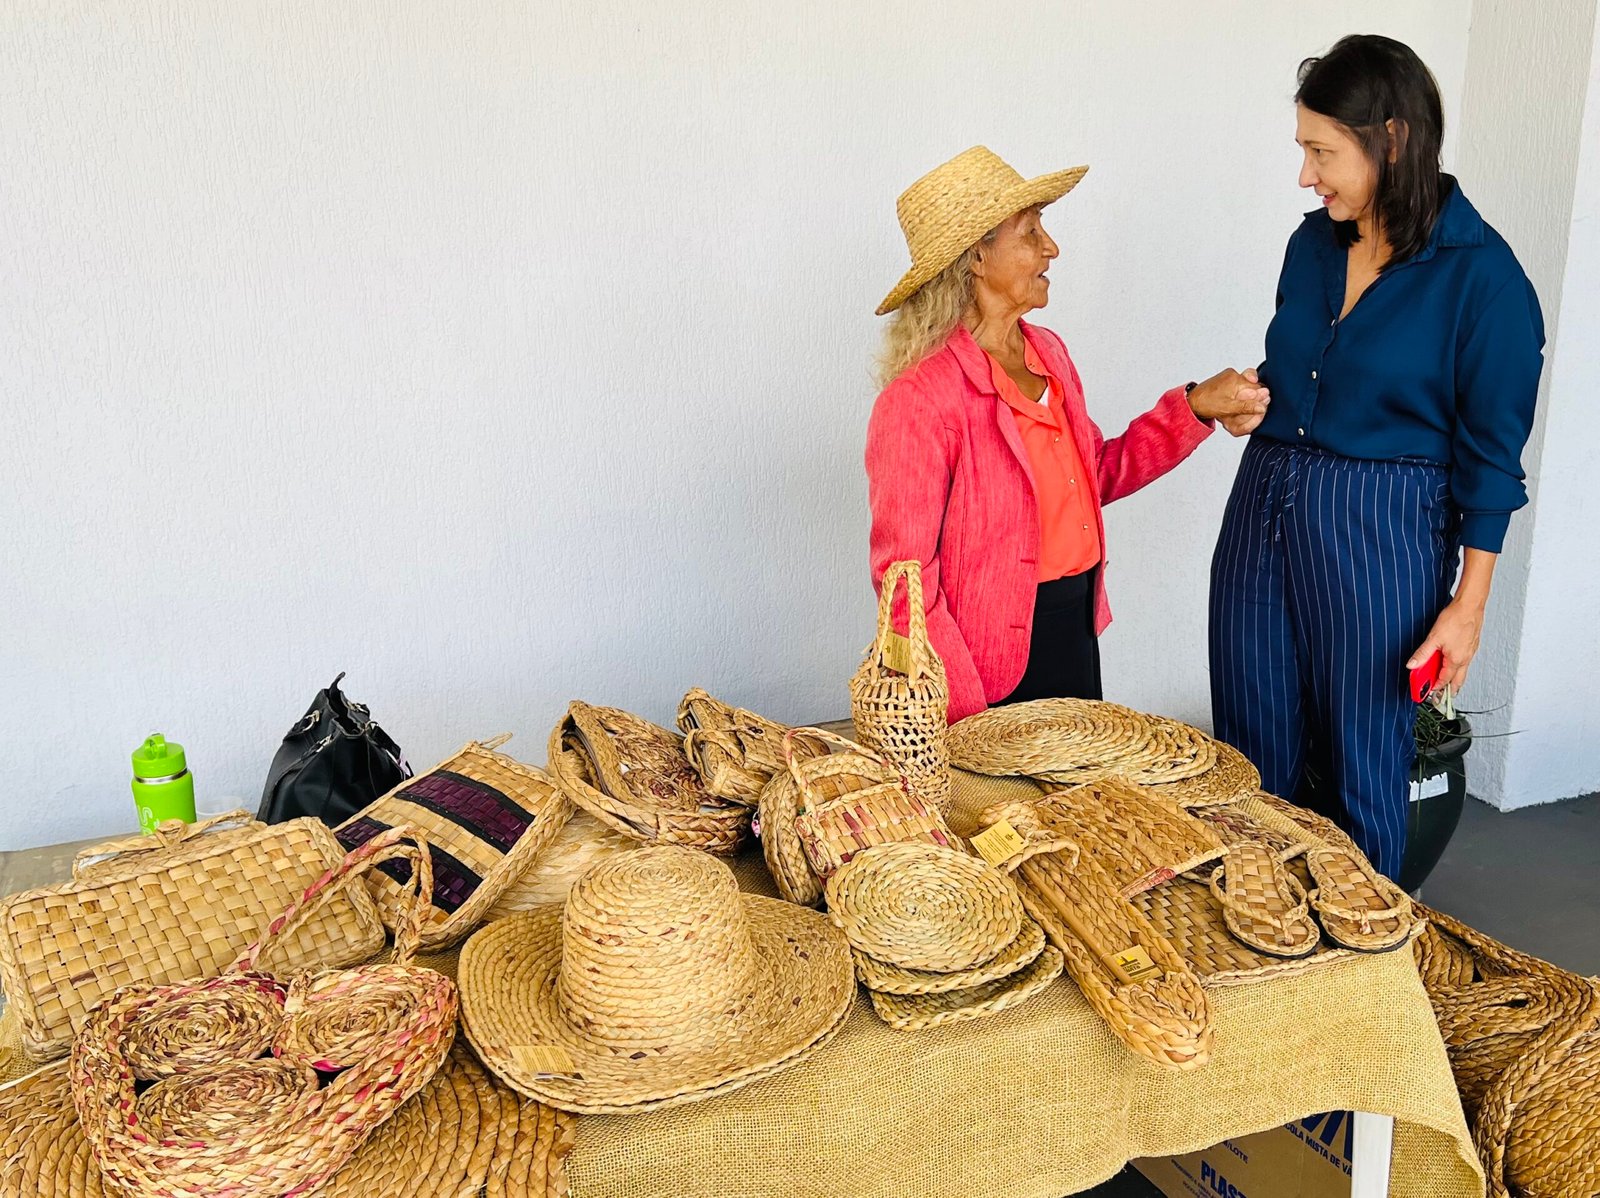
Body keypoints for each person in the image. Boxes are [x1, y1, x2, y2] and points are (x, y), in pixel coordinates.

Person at [1209, 35, 1545, 878]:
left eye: (1322, 153)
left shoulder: (1487, 283)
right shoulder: (1311, 247)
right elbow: (1305, 371)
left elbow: (1492, 465)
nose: (1305, 176)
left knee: (1365, 762)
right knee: (1249, 754)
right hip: (1265, 503)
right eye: (1304, 151)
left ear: (1391, 139)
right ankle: (1265, 954)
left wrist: (1466, 608)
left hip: (1384, 526)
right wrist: (1255, 404)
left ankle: (1365, 981)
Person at [866, 146, 1269, 723]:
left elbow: (1093, 475)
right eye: (1030, 232)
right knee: (1001, 815)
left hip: (1072, 632)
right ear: (976, 257)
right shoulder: (919, 400)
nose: (1051, 247)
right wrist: (960, 714)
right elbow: (903, 584)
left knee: (1076, 812)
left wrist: (1195, 407)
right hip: (982, 672)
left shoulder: (1049, 353)